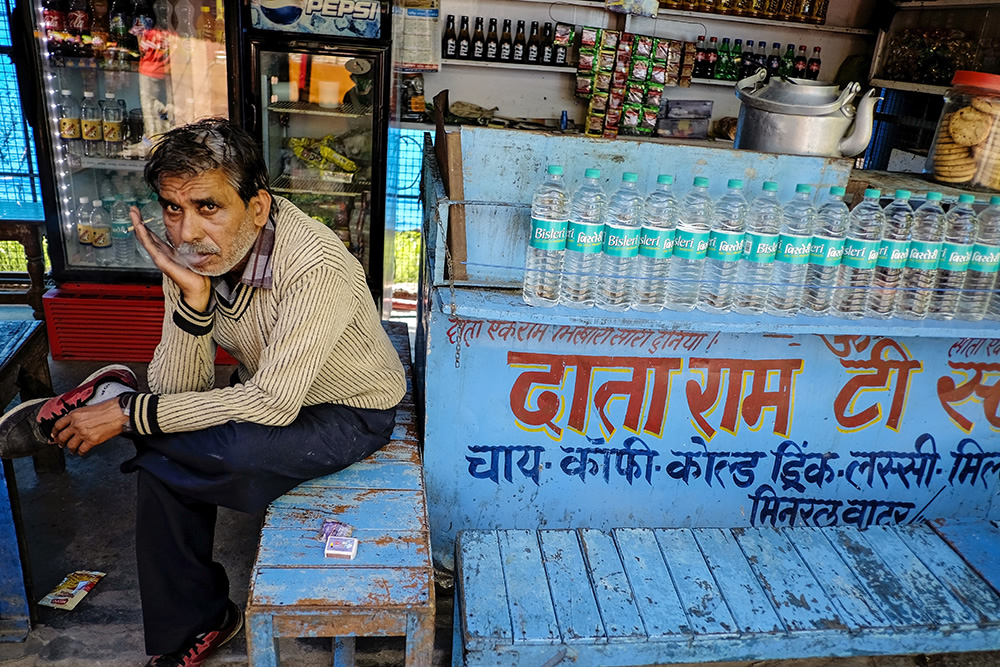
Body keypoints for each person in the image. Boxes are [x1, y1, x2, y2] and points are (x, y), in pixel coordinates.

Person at [0, 118, 406, 666]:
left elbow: (272, 403)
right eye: (172, 207)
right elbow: (176, 386)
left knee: (208, 450)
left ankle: (112, 397)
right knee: (167, 443)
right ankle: (200, 623)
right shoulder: (192, 255)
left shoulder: (317, 267)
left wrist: (130, 413)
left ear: (257, 208)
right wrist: (192, 302)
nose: (186, 231)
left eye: (207, 207)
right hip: (262, 391)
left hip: (349, 409)